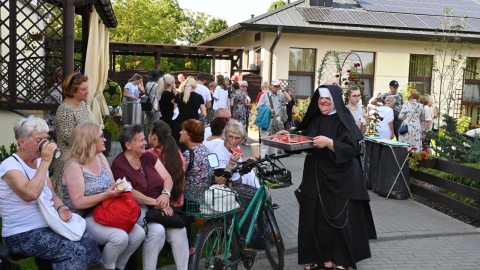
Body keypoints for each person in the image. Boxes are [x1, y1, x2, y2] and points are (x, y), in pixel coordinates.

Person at [283, 85, 376, 270]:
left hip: (342, 178)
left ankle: (341, 260)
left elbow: (353, 149)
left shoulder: (344, 119)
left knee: (339, 219)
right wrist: (290, 136)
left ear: (334, 101)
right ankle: (321, 258)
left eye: (327, 99)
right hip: (316, 176)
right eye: (320, 99)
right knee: (314, 218)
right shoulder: (316, 119)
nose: (323, 102)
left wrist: (330, 143)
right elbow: (307, 140)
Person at [0, 116, 102, 269]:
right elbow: (30, 194)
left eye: (45, 140)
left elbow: (52, 194)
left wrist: (61, 208)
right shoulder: (9, 166)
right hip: (21, 233)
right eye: (38, 141)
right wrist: (46, 161)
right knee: (73, 252)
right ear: (22, 142)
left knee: (87, 241)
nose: (44, 145)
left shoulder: (39, 162)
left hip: (48, 224)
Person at [62, 122, 145, 270]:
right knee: (119, 238)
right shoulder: (74, 166)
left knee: (138, 233)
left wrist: (121, 187)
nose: (105, 139)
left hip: (105, 211)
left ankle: (119, 266)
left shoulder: (100, 156)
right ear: (89, 140)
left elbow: (112, 183)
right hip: (81, 217)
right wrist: (106, 194)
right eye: (101, 136)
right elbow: (77, 203)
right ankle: (105, 266)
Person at [111, 124, 188, 270]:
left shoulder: (148, 156)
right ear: (128, 144)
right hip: (137, 208)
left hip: (159, 206)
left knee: (180, 230)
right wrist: (157, 203)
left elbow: (167, 178)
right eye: (141, 140)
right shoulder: (118, 165)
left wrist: (165, 195)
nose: (145, 142)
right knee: (157, 231)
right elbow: (130, 192)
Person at [146, 120, 189, 270]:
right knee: (180, 232)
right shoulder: (178, 153)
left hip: (156, 207)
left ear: (154, 137)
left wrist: (161, 204)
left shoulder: (150, 155)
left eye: (150, 132)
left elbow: (147, 187)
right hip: (176, 208)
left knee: (156, 233)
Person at [52, 72, 93, 196]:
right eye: (83, 89)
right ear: (72, 91)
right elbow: (70, 138)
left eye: (87, 88)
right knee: (68, 199)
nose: (87, 92)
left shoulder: (82, 105)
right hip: (68, 162)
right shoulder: (65, 109)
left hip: (83, 158)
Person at [178, 119, 212, 243]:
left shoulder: (188, 154)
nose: (180, 132)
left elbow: (177, 176)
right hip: (204, 198)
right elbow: (214, 170)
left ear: (189, 135)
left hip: (189, 201)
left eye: (183, 130)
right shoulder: (207, 151)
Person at [257, 80, 291, 154]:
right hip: (267, 120)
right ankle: (263, 161)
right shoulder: (264, 96)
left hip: (277, 120)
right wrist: (268, 110)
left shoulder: (280, 95)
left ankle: (272, 158)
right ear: (271, 86)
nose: (276, 88)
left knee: (275, 141)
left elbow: (289, 99)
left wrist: (282, 89)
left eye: (277, 86)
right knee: (265, 140)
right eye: (275, 86)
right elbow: (258, 107)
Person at [173, 77, 206, 146]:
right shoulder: (199, 97)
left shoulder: (179, 96)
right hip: (193, 125)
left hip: (179, 124)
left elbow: (175, 111)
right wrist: (197, 115)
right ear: (195, 86)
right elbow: (204, 113)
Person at [44, 66, 63, 141]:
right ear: (59, 78)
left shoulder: (60, 90)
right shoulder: (55, 92)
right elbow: (65, 105)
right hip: (53, 128)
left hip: (56, 128)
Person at [144, 69, 164, 140]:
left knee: (148, 124)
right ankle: (152, 141)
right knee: (154, 125)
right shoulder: (157, 85)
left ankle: (146, 140)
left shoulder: (148, 83)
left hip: (148, 106)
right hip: (154, 107)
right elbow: (158, 96)